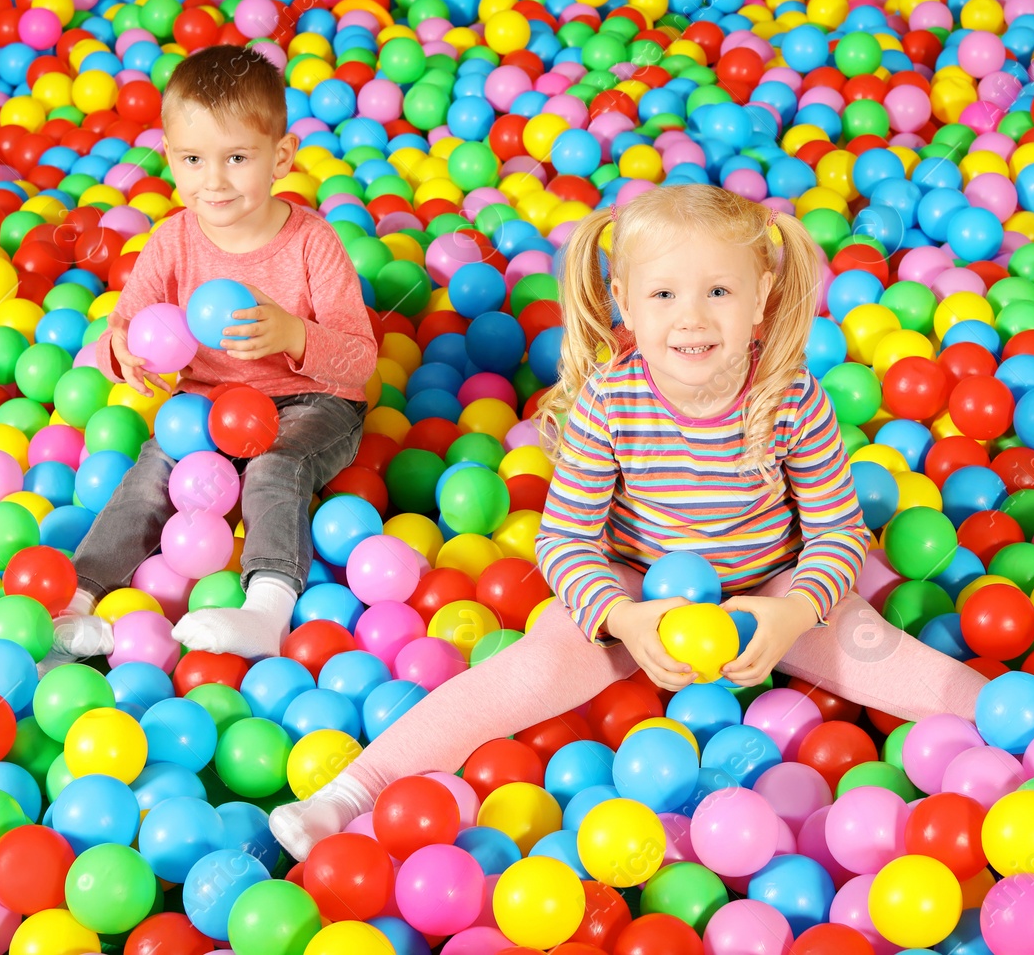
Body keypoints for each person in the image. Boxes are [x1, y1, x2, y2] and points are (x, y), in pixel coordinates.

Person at [268, 184, 988, 861]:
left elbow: (837, 534)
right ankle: (352, 790)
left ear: (761, 298)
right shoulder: (610, 403)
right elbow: (566, 539)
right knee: (535, 666)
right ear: (626, 304)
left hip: (769, 587)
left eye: (719, 292)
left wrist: (795, 615)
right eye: (665, 294)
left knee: (888, 657)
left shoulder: (793, 397)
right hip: (637, 586)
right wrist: (623, 620)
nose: (693, 317)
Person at [45, 45, 378, 671]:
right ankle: (77, 603)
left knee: (274, 468)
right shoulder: (172, 239)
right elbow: (128, 322)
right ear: (170, 157)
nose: (213, 180)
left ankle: (266, 611)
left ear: (280, 157)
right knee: (151, 475)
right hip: (205, 405)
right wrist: (124, 351)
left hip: (313, 403)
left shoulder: (312, 242)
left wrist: (293, 334)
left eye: (237, 158)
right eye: (193, 160)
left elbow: (359, 361)